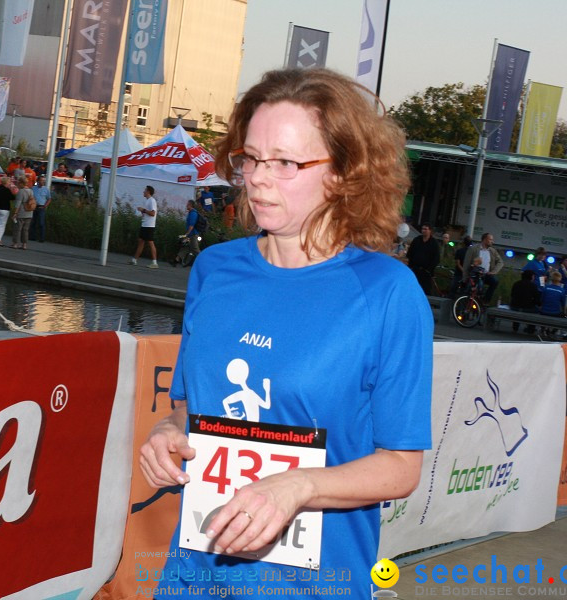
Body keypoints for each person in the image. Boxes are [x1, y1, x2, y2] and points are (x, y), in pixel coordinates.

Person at [138, 68, 431, 599]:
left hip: (311, 586)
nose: (257, 178)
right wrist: (165, 434)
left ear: (342, 172)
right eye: (250, 158)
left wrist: (300, 486)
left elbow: (401, 466)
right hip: (191, 576)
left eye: (286, 163)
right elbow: (188, 407)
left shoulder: (387, 292)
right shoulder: (214, 269)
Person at [462, 232, 503, 303]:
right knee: (474, 288)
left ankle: (485, 301)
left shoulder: (492, 251)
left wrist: (493, 272)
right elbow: (466, 263)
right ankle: (467, 303)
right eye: (490, 239)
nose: (492, 241)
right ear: (484, 239)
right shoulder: (473, 249)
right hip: (475, 274)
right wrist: (465, 278)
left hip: (486, 274)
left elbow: (500, 262)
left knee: (495, 281)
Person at [129, 185, 159, 268]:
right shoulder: (147, 201)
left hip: (149, 225)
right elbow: (148, 213)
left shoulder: (152, 201)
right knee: (141, 241)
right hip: (145, 224)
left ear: (148, 191)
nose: (143, 192)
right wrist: (142, 212)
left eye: (145, 190)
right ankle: (134, 260)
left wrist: (143, 210)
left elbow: (153, 213)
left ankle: (154, 262)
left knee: (150, 242)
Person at [406, 223, 440, 295]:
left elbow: (436, 258)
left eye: (425, 229)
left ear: (430, 230)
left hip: (426, 272)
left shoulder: (434, 243)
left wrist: (429, 269)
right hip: (415, 269)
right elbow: (410, 254)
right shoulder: (417, 240)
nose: (423, 231)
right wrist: (411, 266)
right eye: (422, 229)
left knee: (425, 290)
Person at [171, 200, 201, 266]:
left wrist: (186, 234)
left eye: (187, 204)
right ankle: (176, 260)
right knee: (185, 247)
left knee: (195, 249)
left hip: (193, 234)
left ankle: (203, 261)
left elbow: (191, 225)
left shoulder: (193, 213)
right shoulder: (191, 212)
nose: (186, 206)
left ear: (190, 205)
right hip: (190, 234)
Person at [10, 176, 33, 249]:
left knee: (18, 229)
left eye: (18, 182)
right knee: (25, 230)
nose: (17, 183)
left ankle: (15, 243)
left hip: (21, 213)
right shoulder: (30, 191)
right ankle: (24, 244)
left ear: (20, 183)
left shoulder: (21, 191)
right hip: (29, 213)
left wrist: (15, 213)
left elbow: (18, 204)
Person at [29, 175, 52, 242]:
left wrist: (45, 205)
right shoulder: (33, 188)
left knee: (41, 223)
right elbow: (30, 196)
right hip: (34, 207)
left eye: (44, 181)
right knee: (33, 222)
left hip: (41, 207)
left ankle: (42, 238)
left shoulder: (46, 189)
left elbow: (49, 199)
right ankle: (32, 237)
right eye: (41, 180)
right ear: (38, 181)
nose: (43, 182)